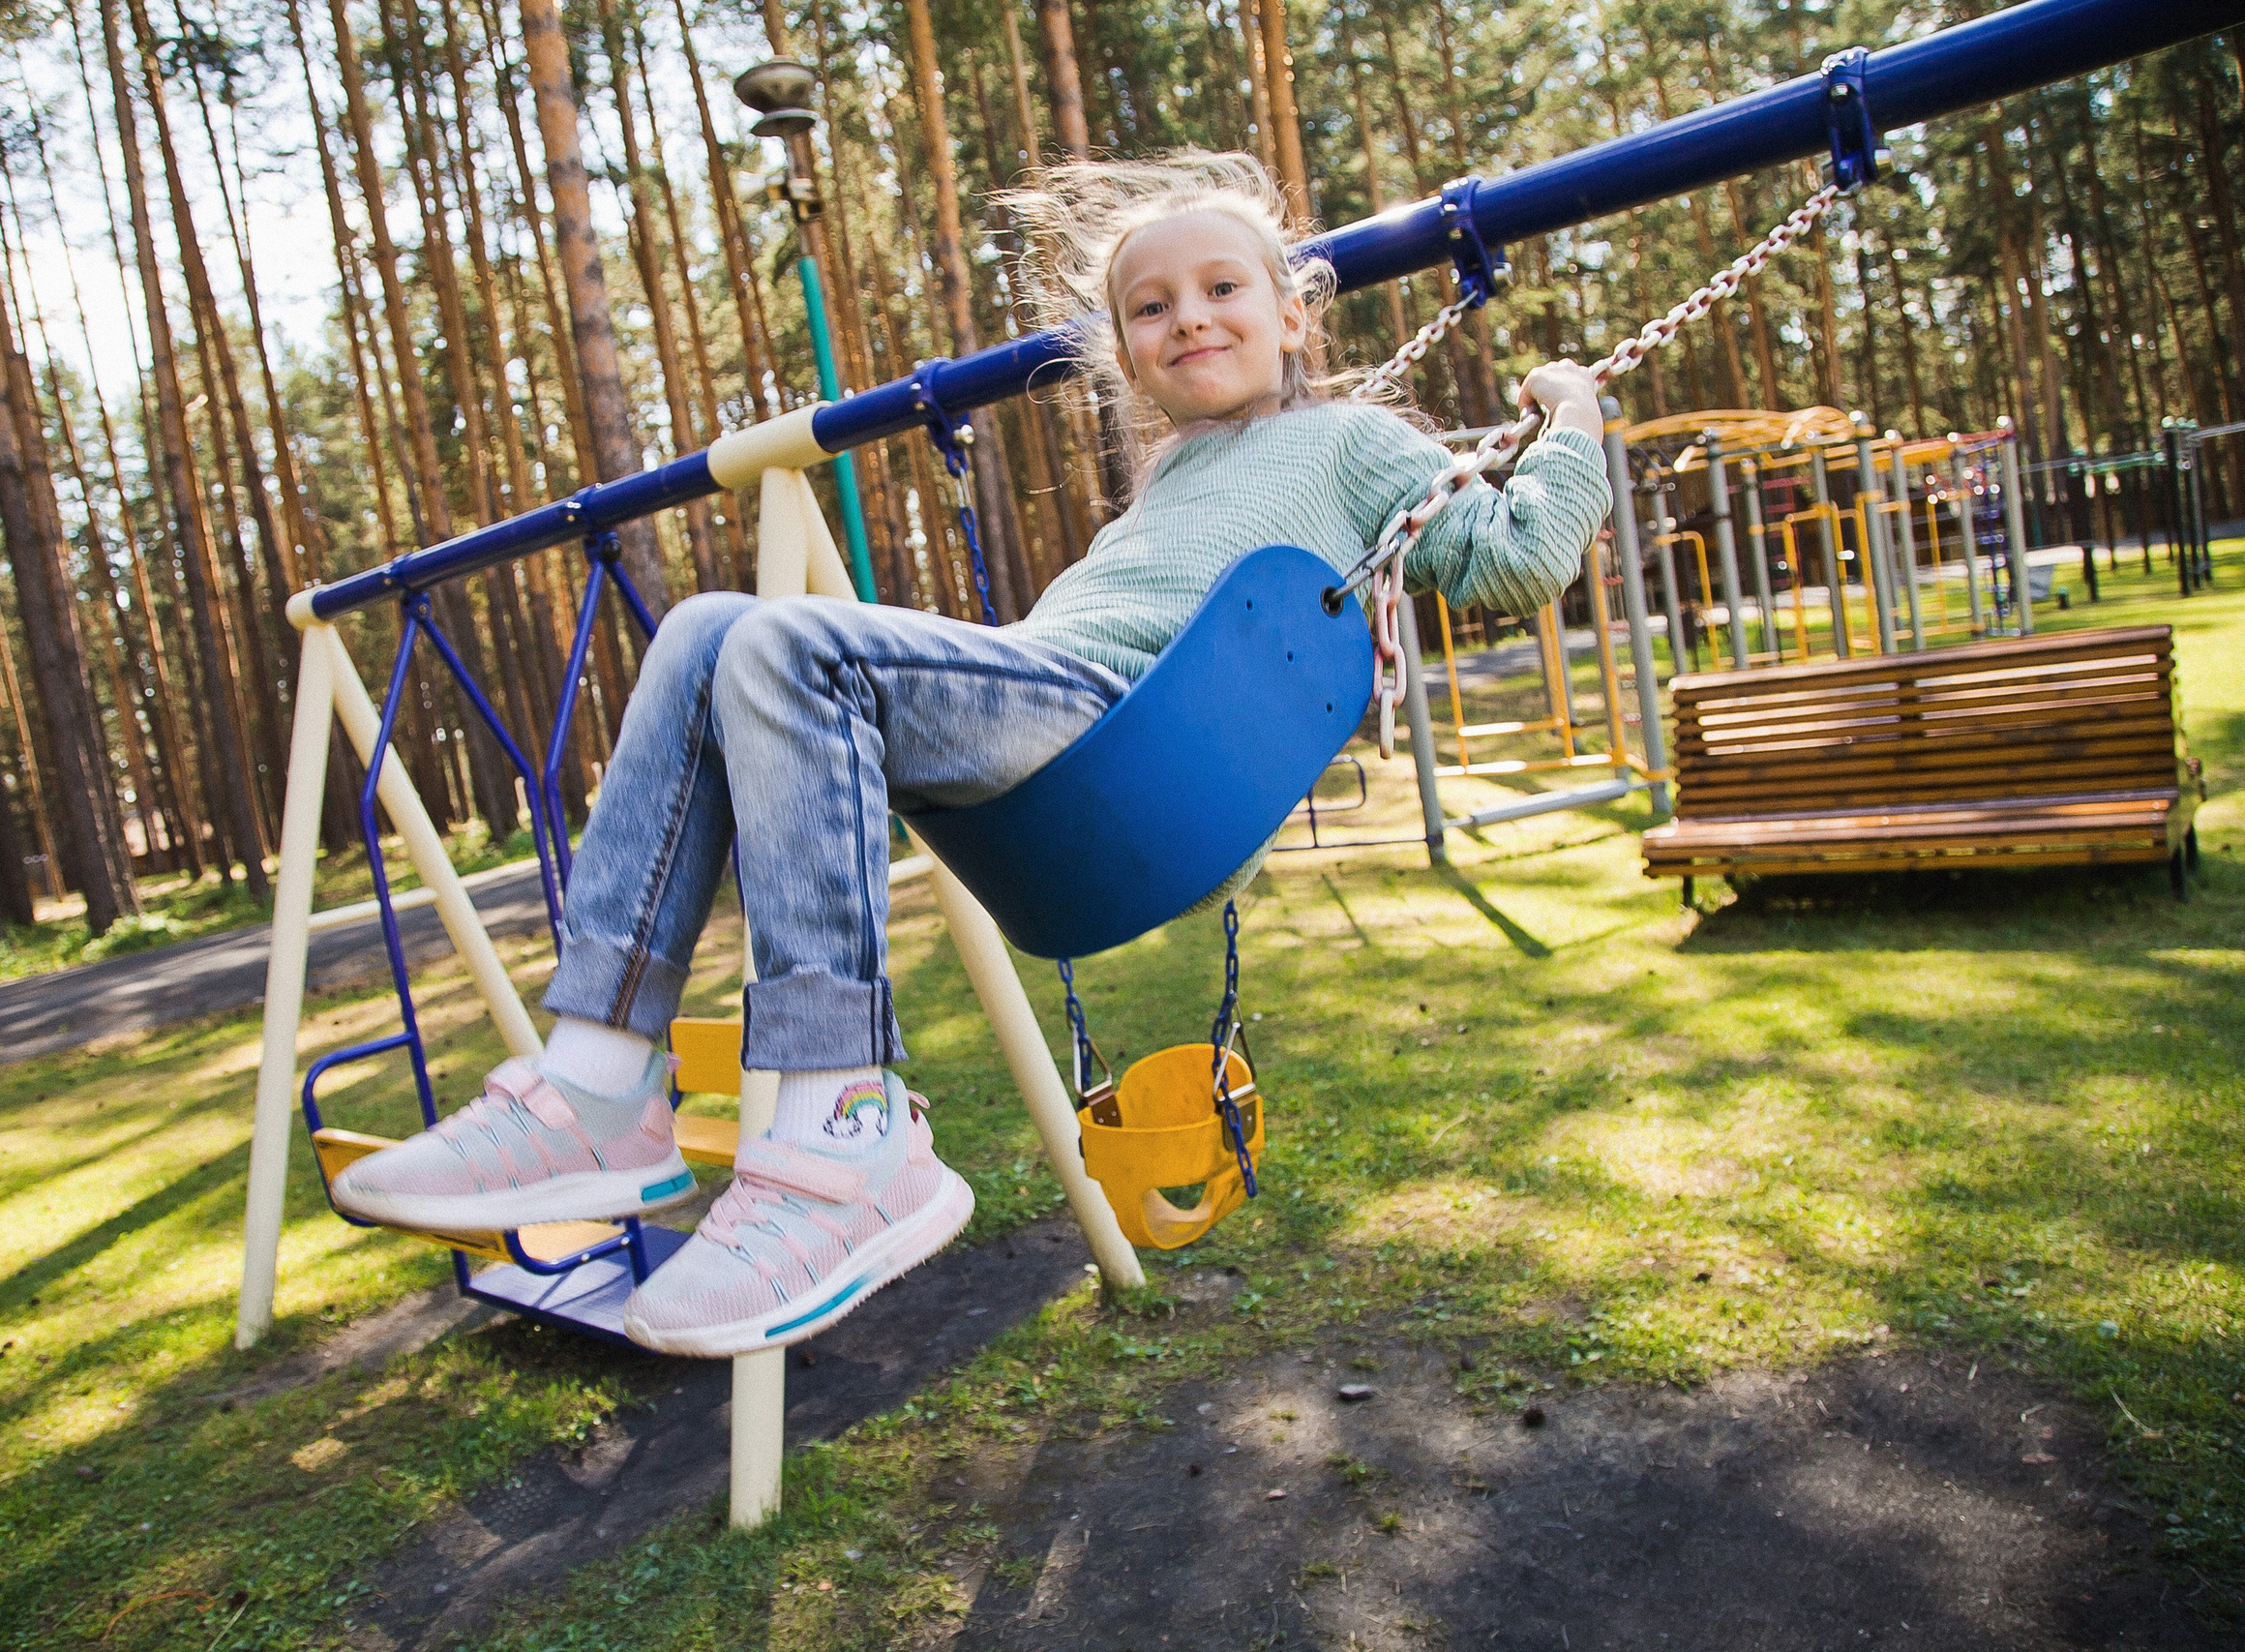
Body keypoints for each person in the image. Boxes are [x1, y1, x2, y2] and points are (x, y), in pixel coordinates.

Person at [331, 151, 1611, 1358]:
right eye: (1152, 308)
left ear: (1294, 315)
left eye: (1222, 289)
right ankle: (599, 1078)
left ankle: (843, 1131)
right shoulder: (1168, 481)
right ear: (1126, 358)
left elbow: (1516, 555)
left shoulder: (1355, 442)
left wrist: (1573, 416)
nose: (1189, 320)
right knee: (713, 627)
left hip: (1132, 727)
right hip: (1043, 742)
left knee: (789, 645)